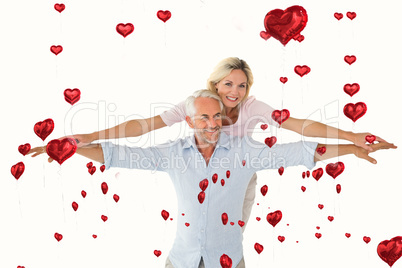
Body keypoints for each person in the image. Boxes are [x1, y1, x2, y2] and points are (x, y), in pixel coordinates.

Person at [30, 90, 396, 268]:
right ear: (189, 121)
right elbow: (117, 154)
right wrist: (68, 146)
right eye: (202, 118)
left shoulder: (244, 152)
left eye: (216, 117)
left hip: (229, 261)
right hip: (180, 261)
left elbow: (302, 152)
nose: (211, 124)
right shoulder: (173, 154)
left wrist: (350, 147)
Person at [48, 57, 389, 229]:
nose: (234, 93)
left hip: (238, 175)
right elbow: (144, 125)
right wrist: (91, 137)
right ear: (216, 83)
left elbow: (300, 125)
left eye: (241, 86)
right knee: (195, 234)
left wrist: (351, 138)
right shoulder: (198, 104)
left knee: (225, 237)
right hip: (196, 170)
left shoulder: (254, 108)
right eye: (228, 84)